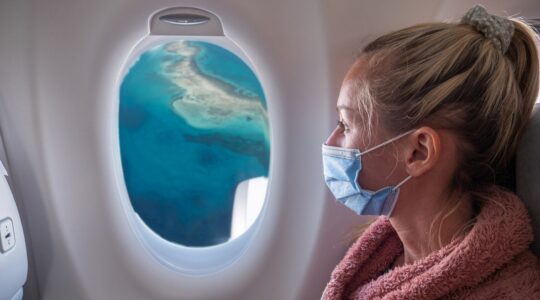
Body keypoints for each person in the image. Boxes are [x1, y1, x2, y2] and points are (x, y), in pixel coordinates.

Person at [321, 4, 540, 299]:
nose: (331, 142)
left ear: (419, 152)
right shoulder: (378, 258)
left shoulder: (511, 291)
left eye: (345, 125)